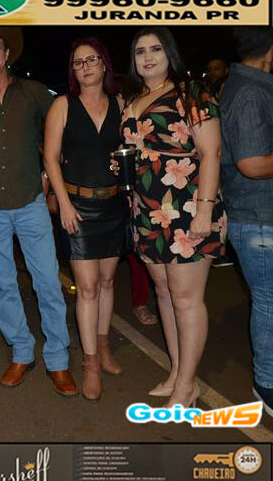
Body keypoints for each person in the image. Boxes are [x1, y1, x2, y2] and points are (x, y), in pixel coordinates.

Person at [0, 27, 77, 395]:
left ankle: (58, 360)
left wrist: (48, 177)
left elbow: (59, 136)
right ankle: (22, 352)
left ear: (7, 55)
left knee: (48, 282)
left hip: (30, 202)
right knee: (3, 284)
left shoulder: (35, 93)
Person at [114, 27, 227, 407]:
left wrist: (204, 211)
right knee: (163, 292)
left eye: (156, 49)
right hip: (147, 209)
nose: (147, 57)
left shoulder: (192, 92)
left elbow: (211, 153)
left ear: (170, 54)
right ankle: (178, 371)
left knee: (186, 298)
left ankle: (187, 385)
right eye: (140, 51)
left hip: (187, 205)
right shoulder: (133, 97)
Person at [44, 37, 126, 402]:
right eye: (78, 63)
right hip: (77, 206)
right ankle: (90, 363)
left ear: (104, 64)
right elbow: (50, 157)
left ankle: (104, 348)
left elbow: (128, 150)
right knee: (88, 287)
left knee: (107, 281)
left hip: (114, 205)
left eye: (91, 60)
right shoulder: (62, 105)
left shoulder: (120, 104)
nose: (85, 67)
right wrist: (63, 203)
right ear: (73, 71)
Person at [220, 27, 273, 416]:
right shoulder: (251, 92)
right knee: (269, 301)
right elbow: (252, 164)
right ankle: (267, 382)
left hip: (259, 215)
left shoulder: (250, 85)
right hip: (257, 218)